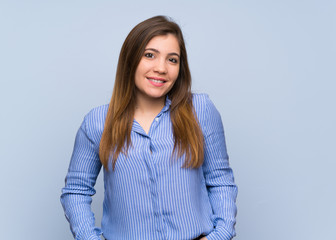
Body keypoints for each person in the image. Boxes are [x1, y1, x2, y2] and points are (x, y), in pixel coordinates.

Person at [61, 15, 237, 240]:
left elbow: (220, 179)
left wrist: (220, 235)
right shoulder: (97, 122)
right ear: (130, 60)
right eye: (150, 55)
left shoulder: (200, 110)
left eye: (172, 60)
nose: (161, 68)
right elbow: (76, 191)